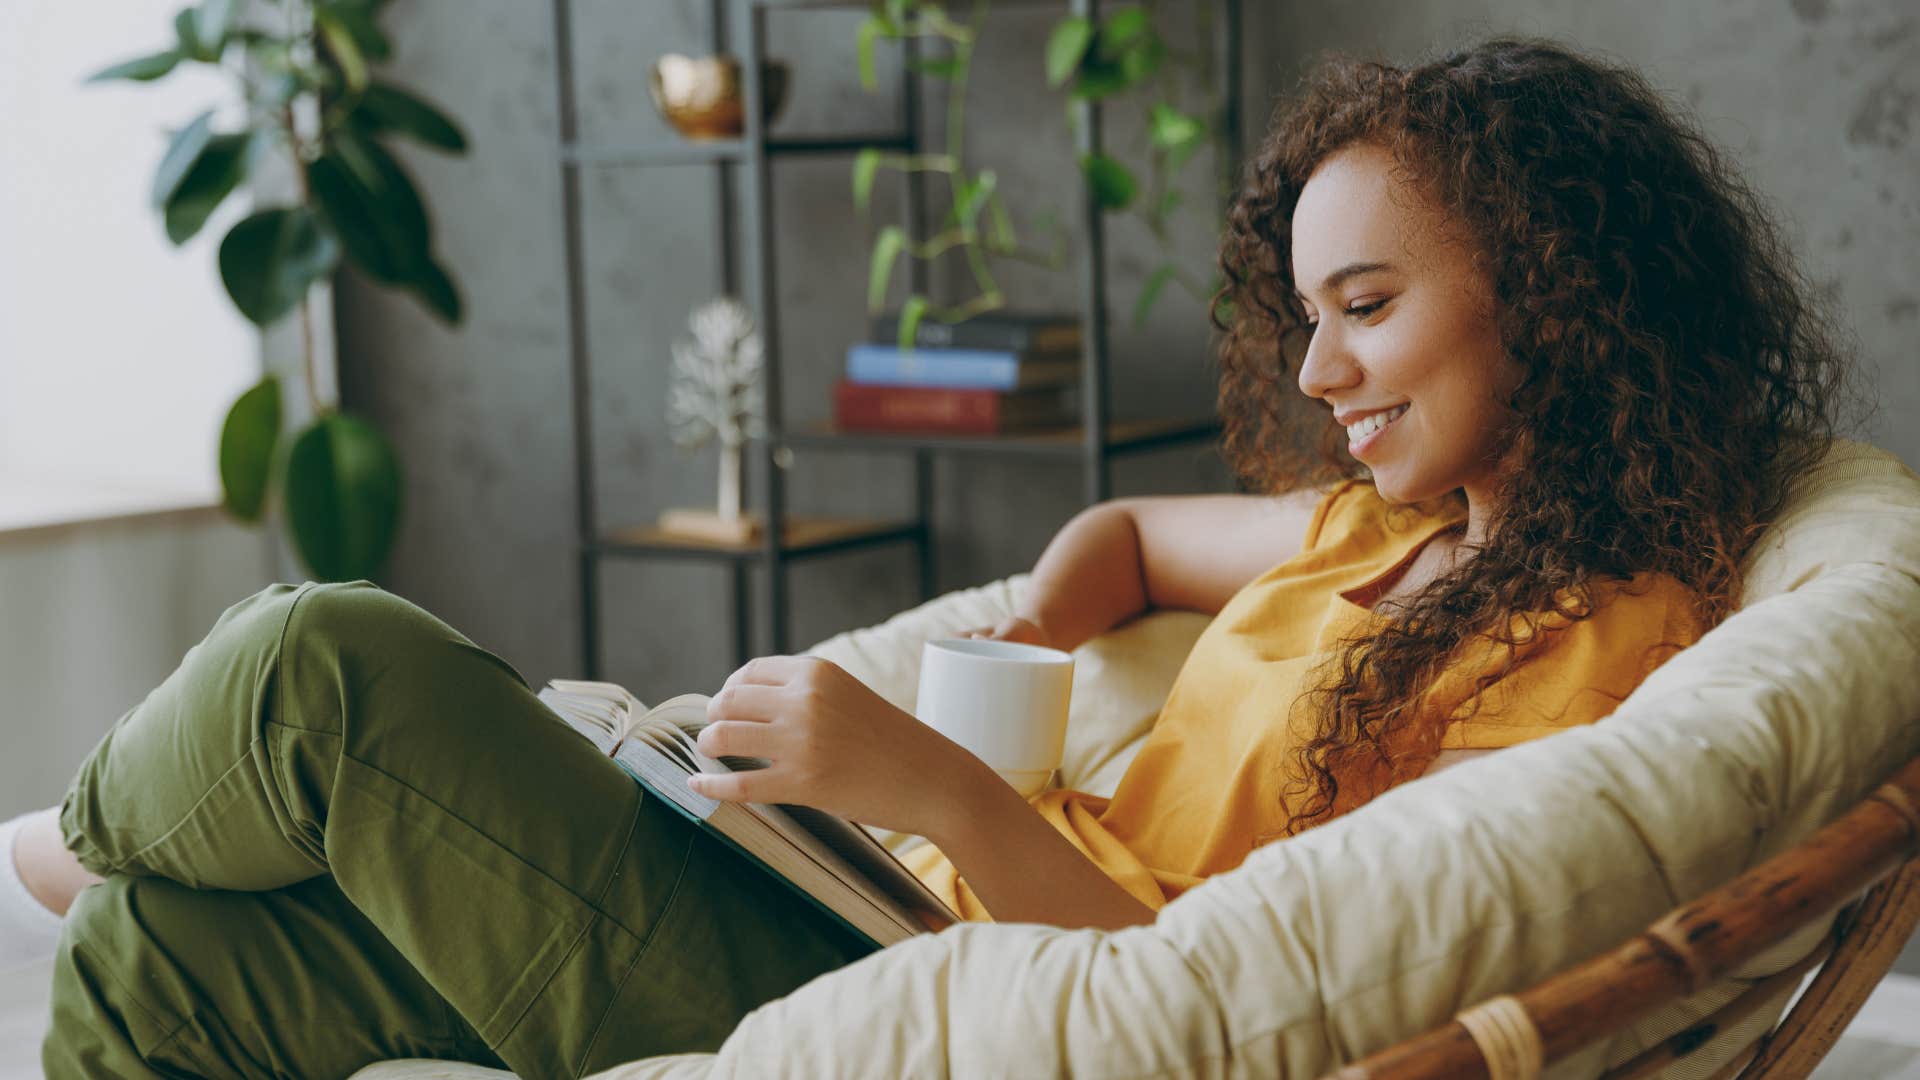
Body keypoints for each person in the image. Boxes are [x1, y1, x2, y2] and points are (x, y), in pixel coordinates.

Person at [0, 34, 1849, 1079]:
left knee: (322, 661)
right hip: (863, 908)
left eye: (1367, 306)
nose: (1314, 371)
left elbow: (1227, 1003)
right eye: (1303, 312)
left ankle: (72, 832)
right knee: (174, 965)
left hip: (938, 1012)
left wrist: (942, 786)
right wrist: (1033, 640)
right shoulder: (1382, 531)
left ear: (1553, 295)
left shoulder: (1605, 647)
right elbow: (1122, 535)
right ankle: (128, 871)